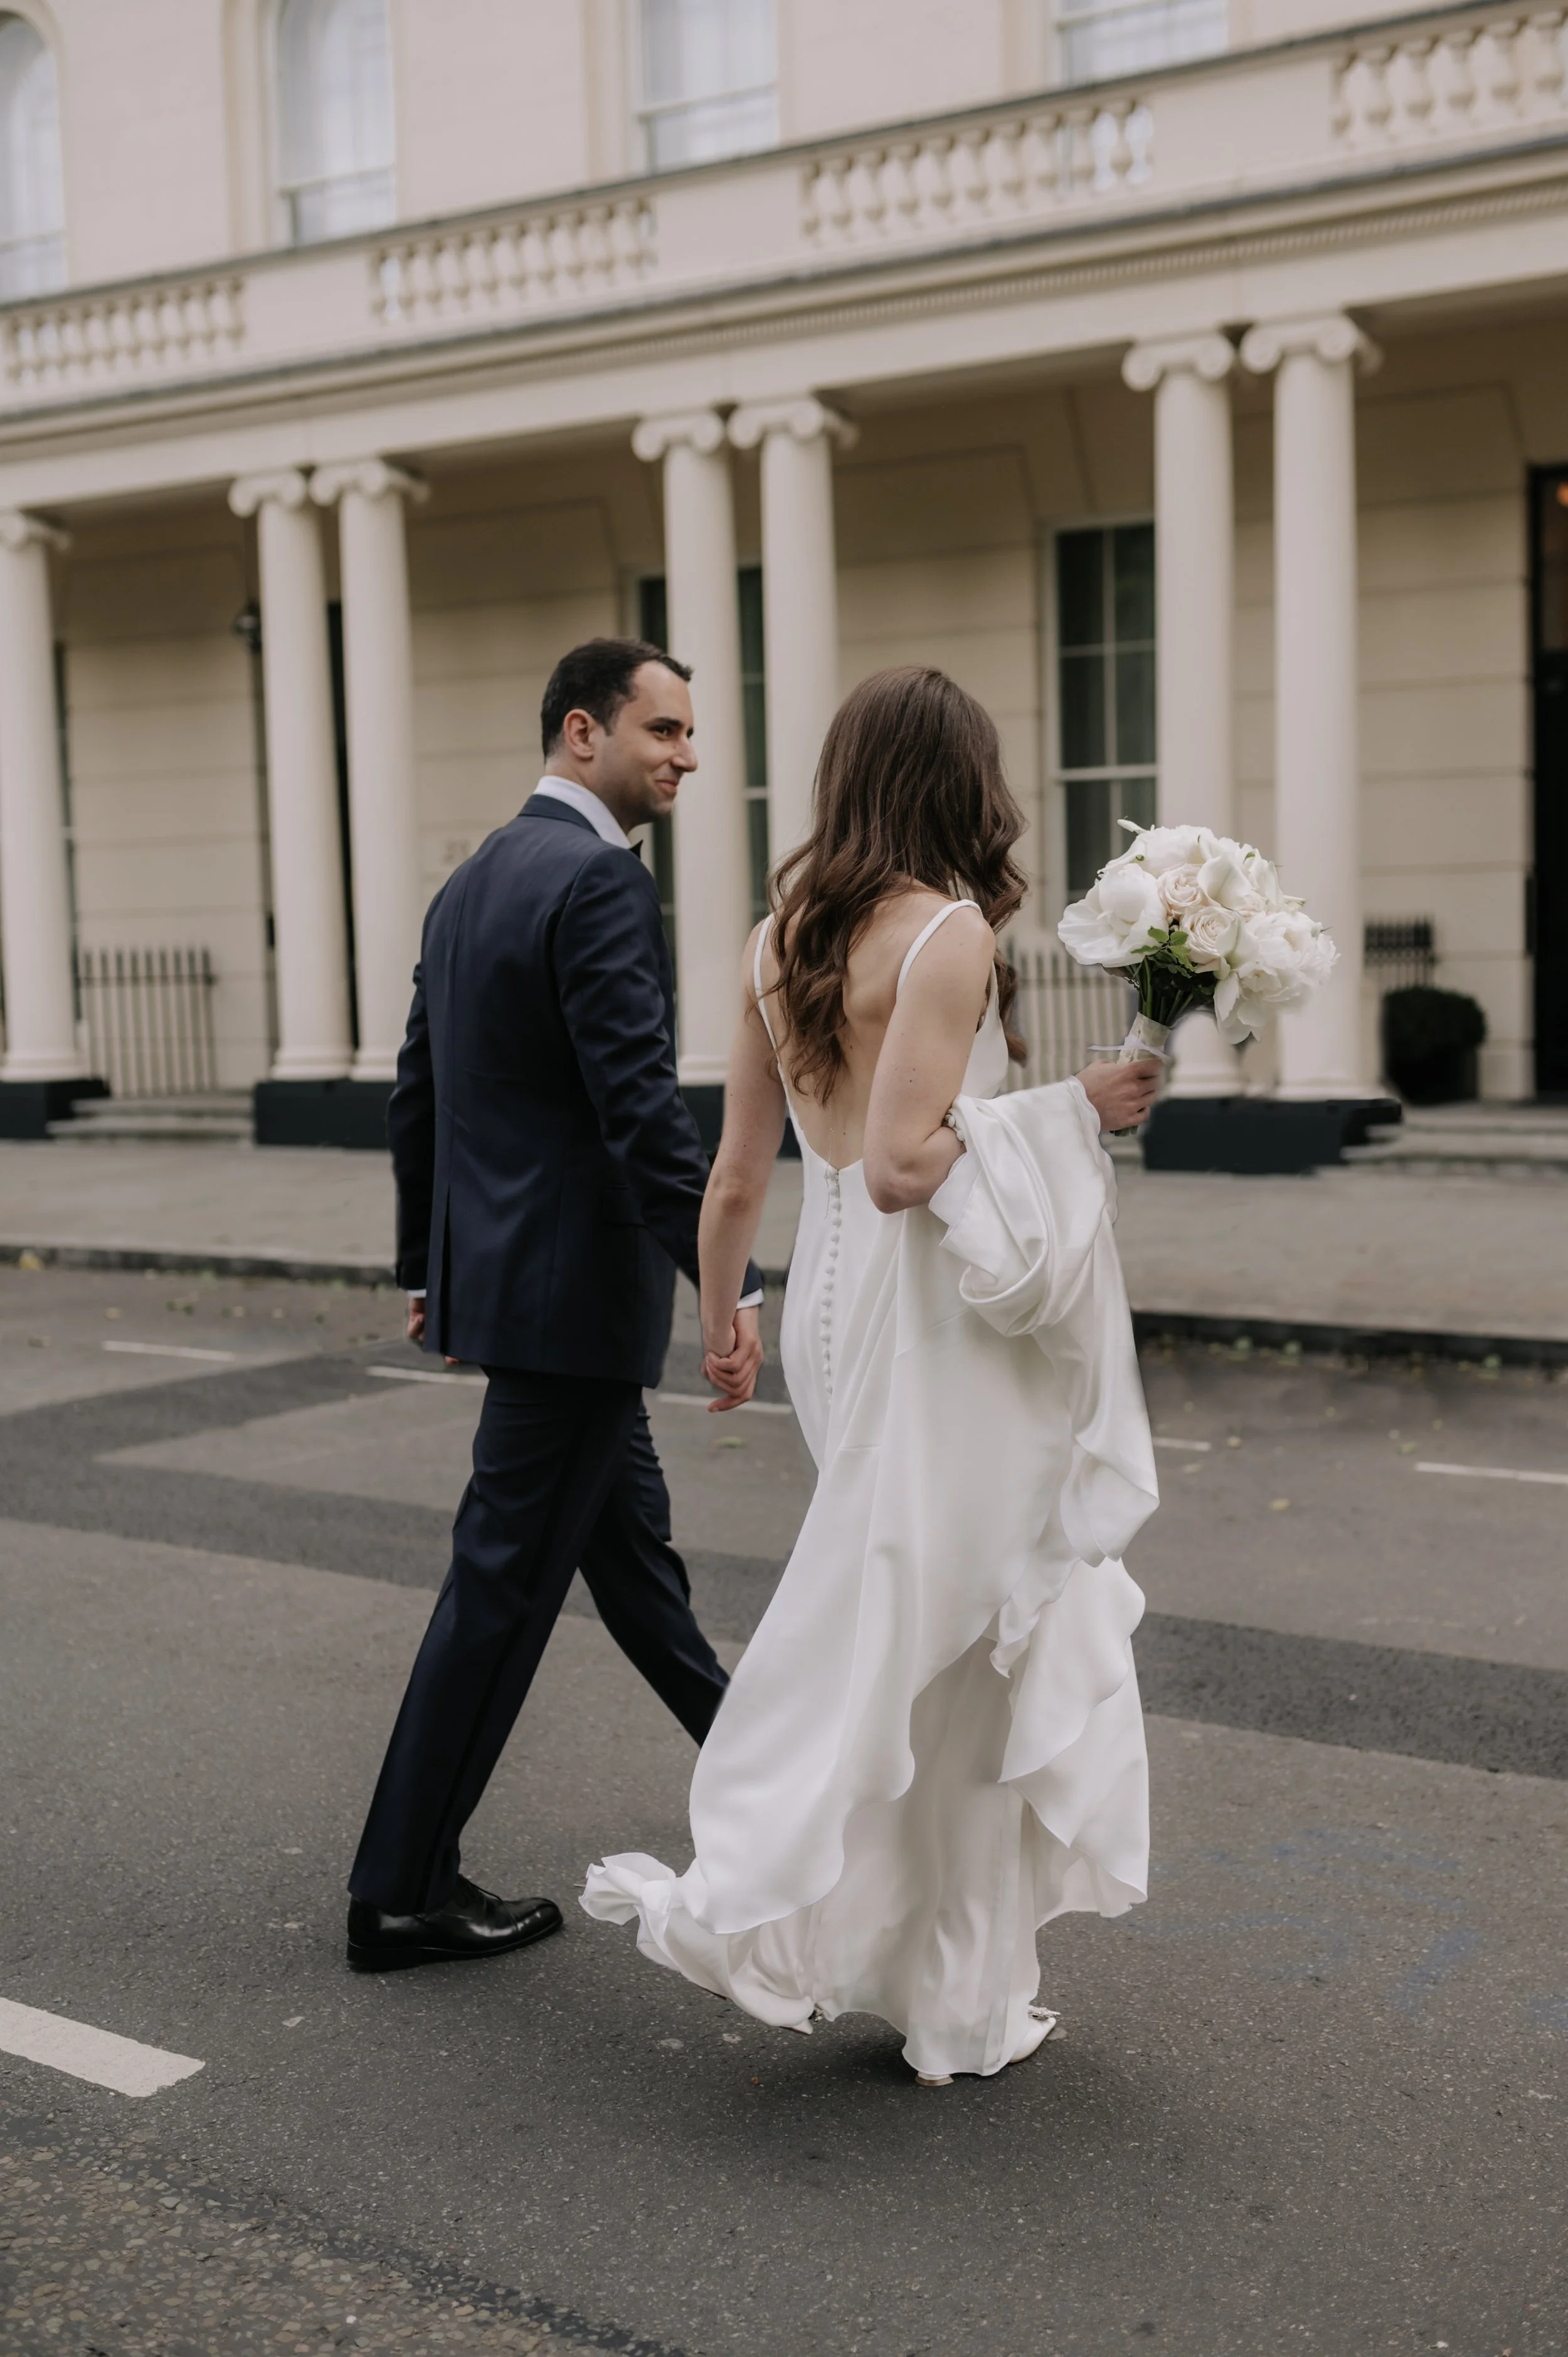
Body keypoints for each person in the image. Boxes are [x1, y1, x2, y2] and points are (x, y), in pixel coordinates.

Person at [582, 665, 1162, 2083]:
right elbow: (911, 1167)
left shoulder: (776, 934)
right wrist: (1068, 1112)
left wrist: (724, 1318)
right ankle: (935, 1985)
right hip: (929, 1318)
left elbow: (732, 1175)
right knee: (961, 1637)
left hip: (831, 1307)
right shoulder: (947, 933)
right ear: (960, 777)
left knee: (936, 1632)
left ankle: (930, 1974)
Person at [347, 637, 764, 1976]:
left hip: (515, 1293)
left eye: (691, 734)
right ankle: (401, 1888)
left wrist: (427, 1266)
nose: (686, 755)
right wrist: (724, 1284)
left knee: (636, 1577)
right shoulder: (593, 884)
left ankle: (781, 1789)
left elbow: (418, 1091)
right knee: (498, 1595)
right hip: (576, 1309)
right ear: (580, 733)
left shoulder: (472, 880)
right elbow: (639, 1111)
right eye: (664, 730)